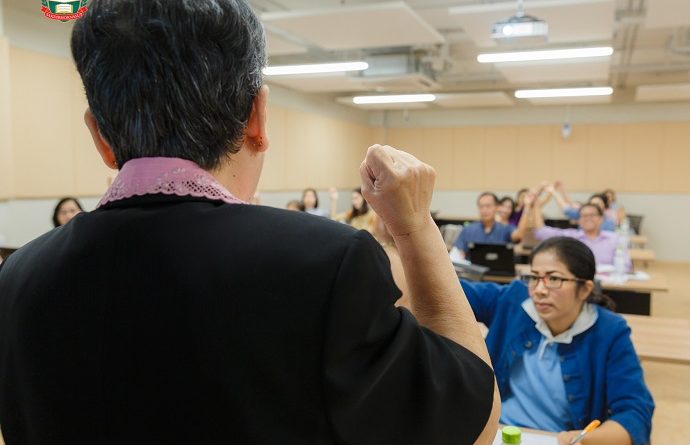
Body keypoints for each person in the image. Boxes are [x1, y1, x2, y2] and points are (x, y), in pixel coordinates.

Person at [0, 2, 501, 444]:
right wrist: (415, 227)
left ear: (99, 137)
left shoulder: (19, 276)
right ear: (257, 117)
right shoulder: (324, 262)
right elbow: (469, 427)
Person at [460, 237, 654, 445]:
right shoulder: (514, 300)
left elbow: (635, 414)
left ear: (585, 289)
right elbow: (455, 291)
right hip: (496, 432)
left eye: (554, 279)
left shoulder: (609, 332)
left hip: (556, 439)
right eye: (534, 277)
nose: (539, 290)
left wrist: (585, 440)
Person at [519, 191, 631, 270]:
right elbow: (542, 232)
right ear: (579, 220)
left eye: (592, 215)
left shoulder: (614, 239)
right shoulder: (572, 237)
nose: (588, 219)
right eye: (584, 216)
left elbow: (626, 266)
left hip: (609, 286)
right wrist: (536, 206)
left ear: (601, 219)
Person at [451, 192, 526, 259]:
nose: (484, 210)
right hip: (473, 269)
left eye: (488, 206)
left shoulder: (505, 228)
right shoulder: (469, 229)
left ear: (497, 207)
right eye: (481, 206)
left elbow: (519, 235)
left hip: (499, 269)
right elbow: (457, 252)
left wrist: (527, 207)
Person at [549, 183, 616, 231]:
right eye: (592, 205)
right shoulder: (582, 215)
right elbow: (565, 207)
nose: (594, 208)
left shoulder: (609, 222)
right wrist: (554, 192)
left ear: (604, 207)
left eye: (597, 205)